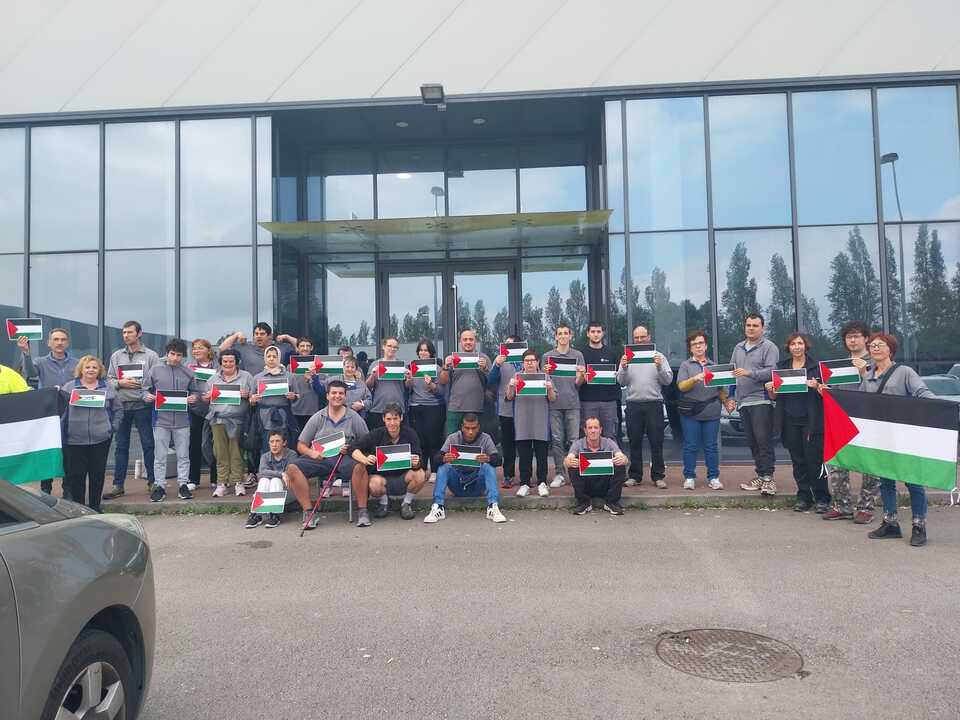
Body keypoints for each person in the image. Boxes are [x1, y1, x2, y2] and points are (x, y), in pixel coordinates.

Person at [858, 333, 936, 547]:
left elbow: (922, 392)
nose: (875, 348)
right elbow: (860, 402)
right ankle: (890, 523)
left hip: (904, 435)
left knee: (913, 481)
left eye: (880, 345)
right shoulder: (868, 375)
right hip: (881, 437)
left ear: (890, 349)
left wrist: (940, 407)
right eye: (872, 345)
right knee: (886, 481)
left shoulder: (904, 372)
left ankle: (919, 525)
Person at [285, 380, 369, 529]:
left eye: (341, 393)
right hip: (321, 458)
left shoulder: (354, 417)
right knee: (292, 468)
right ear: (327, 396)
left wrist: (351, 448)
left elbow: (366, 442)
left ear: (345, 396)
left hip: (345, 458)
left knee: (360, 466)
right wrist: (311, 452)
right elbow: (301, 445)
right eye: (334, 393)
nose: (337, 396)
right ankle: (308, 512)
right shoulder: (318, 417)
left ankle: (363, 511)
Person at [823, 320, 880, 523]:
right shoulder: (840, 365)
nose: (853, 340)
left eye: (856, 336)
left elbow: (878, 389)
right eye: (849, 337)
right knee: (837, 464)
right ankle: (842, 506)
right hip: (843, 420)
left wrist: (864, 371)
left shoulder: (876, 361)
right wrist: (825, 390)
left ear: (866, 339)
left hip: (868, 420)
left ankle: (866, 508)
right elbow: (836, 393)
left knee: (870, 467)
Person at [765, 333, 830, 512]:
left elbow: (827, 393)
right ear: (789, 347)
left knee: (815, 460)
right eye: (793, 344)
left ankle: (822, 497)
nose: (796, 346)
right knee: (798, 461)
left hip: (811, 421)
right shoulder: (781, 367)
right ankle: (803, 497)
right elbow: (775, 396)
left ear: (805, 346)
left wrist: (817, 386)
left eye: (800, 343)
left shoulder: (816, 367)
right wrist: (770, 389)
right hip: (789, 420)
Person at [104, 320, 161, 499]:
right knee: (121, 446)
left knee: (148, 445)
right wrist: (120, 382)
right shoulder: (116, 356)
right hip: (121, 406)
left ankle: (152, 482)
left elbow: (158, 380)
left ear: (139, 333)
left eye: (129, 332)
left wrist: (145, 389)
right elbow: (108, 380)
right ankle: (118, 485)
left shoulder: (151, 355)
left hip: (143, 406)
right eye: (124, 332)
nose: (126, 335)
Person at [17, 328, 77, 494]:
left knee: (68, 452)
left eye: (63, 339)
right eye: (56, 339)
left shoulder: (77, 363)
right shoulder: (40, 361)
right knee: (48, 450)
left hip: (71, 413)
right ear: (49, 343)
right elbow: (30, 373)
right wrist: (26, 353)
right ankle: (46, 489)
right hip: (49, 414)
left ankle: (68, 489)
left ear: (67, 343)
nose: (59, 342)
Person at [59, 355, 122, 511]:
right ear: (81, 369)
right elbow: (59, 410)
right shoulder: (69, 387)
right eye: (87, 367)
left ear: (99, 370)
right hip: (75, 440)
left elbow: (118, 409)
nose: (91, 370)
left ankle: (95, 506)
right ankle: (80, 508)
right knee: (77, 476)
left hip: (101, 439)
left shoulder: (107, 387)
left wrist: (112, 427)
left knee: (97, 475)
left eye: (94, 367)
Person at [725, 313, 779, 496]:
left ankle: (769, 479)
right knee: (752, 442)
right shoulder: (738, 347)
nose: (751, 328)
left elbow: (773, 371)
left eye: (755, 325)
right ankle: (761, 476)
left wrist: (750, 373)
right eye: (748, 325)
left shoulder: (769, 347)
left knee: (763, 440)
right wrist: (730, 396)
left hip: (761, 400)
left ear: (763, 328)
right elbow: (732, 373)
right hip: (743, 402)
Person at [142, 338, 200, 502]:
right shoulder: (155, 370)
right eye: (172, 354)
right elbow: (144, 390)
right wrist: (147, 396)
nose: (175, 358)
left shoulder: (188, 372)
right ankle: (159, 486)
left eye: (179, 355)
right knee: (160, 456)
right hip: (161, 421)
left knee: (183, 456)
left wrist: (194, 397)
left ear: (183, 356)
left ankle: (183, 485)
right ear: (167, 353)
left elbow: (195, 391)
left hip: (182, 421)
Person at [350, 402, 425, 526]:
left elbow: (420, 459)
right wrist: (365, 458)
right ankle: (384, 503)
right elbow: (353, 447)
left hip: (404, 477)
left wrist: (416, 463)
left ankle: (406, 503)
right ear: (383, 419)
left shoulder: (410, 433)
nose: (392, 423)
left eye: (395, 419)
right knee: (373, 484)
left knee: (421, 474)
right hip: (381, 479)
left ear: (401, 418)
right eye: (389, 419)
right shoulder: (376, 434)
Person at [424, 413, 507, 524]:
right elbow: (436, 459)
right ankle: (438, 506)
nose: (470, 432)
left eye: (473, 428)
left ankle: (493, 506)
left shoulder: (485, 438)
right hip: (457, 483)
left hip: (477, 484)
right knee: (444, 466)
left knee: (488, 466)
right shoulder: (453, 438)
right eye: (467, 428)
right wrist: (443, 458)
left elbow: (498, 460)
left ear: (478, 427)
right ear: (462, 427)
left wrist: (488, 458)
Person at [617, 325, 673, 488]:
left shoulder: (659, 356)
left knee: (657, 442)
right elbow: (621, 381)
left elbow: (668, 380)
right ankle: (635, 476)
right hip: (633, 404)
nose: (640, 340)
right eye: (637, 337)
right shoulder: (627, 357)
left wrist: (659, 367)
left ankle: (658, 476)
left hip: (654, 404)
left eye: (643, 337)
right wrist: (624, 368)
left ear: (649, 337)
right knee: (634, 442)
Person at [676, 331, 726, 491]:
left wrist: (727, 401)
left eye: (700, 343)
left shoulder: (714, 365)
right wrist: (694, 378)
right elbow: (681, 386)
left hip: (712, 412)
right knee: (691, 445)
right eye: (694, 344)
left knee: (711, 446)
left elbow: (720, 389)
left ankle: (713, 477)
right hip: (691, 413)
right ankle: (689, 477)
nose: (698, 346)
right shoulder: (685, 365)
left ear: (706, 346)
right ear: (690, 348)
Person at [506, 349, 557, 497]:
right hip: (522, 422)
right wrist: (511, 385)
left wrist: (550, 388)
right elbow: (509, 397)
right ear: (523, 363)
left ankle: (542, 483)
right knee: (524, 455)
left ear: (537, 362)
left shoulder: (544, 376)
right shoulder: (517, 376)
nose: (529, 363)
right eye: (527, 361)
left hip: (540, 421)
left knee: (542, 454)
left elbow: (553, 398)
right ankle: (524, 483)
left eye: (532, 360)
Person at [204, 349, 255, 497]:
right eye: (225, 361)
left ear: (236, 362)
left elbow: (254, 399)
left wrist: (247, 395)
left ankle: (238, 482)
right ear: (220, 363)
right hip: (217, 420)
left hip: (238, 420)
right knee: (220, 453)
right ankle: (222, 483)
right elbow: (205, 400)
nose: (228, 364)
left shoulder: (247, 377)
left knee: (237, 452)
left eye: (231, 361)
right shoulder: (213, 379)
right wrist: (207, 397)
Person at [543, 323, 585, 489]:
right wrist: (545, 372)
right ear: (555, 337)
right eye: (559, 333)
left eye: (565, 333)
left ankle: (574, 474)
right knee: (557, 440)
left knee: (574, 440)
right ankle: (560, 474)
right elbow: (544, 381)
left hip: (573, 403)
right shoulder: (547, 356)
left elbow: (578, 383)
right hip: (554, 404)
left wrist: (581, 375)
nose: (562, 336)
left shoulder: (578, 355)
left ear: (570, 336)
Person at [564, 416, 628, 515]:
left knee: (619, 464)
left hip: (605, 485)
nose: (593, 431)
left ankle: (611, 502)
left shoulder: (609, 442)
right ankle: (584, 503)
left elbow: (622, 456)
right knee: (572, 466)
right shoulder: (578, 444)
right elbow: (567, 459)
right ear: (585, 431)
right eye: (590, 428)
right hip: (586, 486)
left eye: (596, 427)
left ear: (600, 430)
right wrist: (569, 462)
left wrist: (623, 459)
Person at [405, 339, 445, 482]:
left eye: (426, 350)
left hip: (434, 407)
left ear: (431, 353)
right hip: (415, 407)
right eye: (421, 350)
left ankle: (434, 470)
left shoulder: (437, 369)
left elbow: (441, 391)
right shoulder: (412, 367)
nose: (423, 353)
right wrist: (409, 380)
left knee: (433, 440)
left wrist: (431, 384)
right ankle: (421, 469)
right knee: (419, 440)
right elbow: (408, 388)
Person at [439, 329, 491, 436]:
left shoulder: (484, 358)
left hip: (476, 407)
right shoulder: (453, 358)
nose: (468, 342)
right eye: (465, 339)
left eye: (471, 339)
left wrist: (485, 368)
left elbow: (492, 382)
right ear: (460, 342)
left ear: (475, 341)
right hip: (455, 407)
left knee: (475, 441)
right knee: (452, 440)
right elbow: (443, 381)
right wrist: (445, 367)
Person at [250, 345, 300, 454]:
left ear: (279, 358)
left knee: (283, 443)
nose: (271, 359)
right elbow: (251, 399)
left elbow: (298, 396)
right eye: (269, 356)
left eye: (274, 356)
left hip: (283, 415)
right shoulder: (257, 377)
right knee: (266, 444)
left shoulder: (289, 376)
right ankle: (266, 464)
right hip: (264, 416)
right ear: (265, 358)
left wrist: (293, 396)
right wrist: (253, 400)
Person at [245, 430, 297, 529]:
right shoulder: (265, 456)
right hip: (269, 491)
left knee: (275, 481)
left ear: (284, 443)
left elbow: (289, 474)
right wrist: (281, 474)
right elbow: (262, 472)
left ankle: (274, 514)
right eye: (271, 442)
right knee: (264, 480)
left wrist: (279, 475)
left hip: (288, 492)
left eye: (277, 441)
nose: (274, 445)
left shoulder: (292, 454)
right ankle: (256, 514)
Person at [578, 321, 620, 440]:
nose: (596, 334)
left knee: (610, 436)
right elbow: (577, 382)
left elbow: (620, 377)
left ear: (603, 333)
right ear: (588, 334)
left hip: (609, 402)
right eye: (593, 331)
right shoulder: (581, 354)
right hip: (588, 402)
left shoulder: (612, 353)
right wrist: (583, 377)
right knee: (589, 437)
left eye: (598, 331)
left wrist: (617, 375)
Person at [489, 335, 521, 488]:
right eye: (506, 344)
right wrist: (496, 365)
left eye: (511, 345)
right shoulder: (500, 360)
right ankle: (508, 475)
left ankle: (526, 476)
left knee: (525, 444)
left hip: (526, 409)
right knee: (508, 444)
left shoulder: (527, 360)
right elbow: (490, 381)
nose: (508, 347)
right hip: (506, 409)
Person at [186, 338, 217, 492]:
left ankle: (215, 479)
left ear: (208, 350)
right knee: (194, 444)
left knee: (215, 444)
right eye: (194, 348)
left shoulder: (217, 366)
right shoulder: (188, 367)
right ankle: (193, 479)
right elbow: (183, 386)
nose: (196, 351)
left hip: (214, 410)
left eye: (200, 348)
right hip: (195, 410)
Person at [218, 322, 297, 376]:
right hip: (253, 390)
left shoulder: (281, 348)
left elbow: (300, 348)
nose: (259, 336)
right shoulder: (245, 347)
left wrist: (287, 337)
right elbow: (222, 348)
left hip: (275, 388)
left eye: (262, 334)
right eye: (256, 334)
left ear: (270, 336)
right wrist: (236, 335)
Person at [365, 336, 408, 430]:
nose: (392, 349)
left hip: (398, 408)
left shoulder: (403, 364)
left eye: (395, 347)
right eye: (389, 346)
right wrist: (373, 375)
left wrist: (409, 377)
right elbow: (367, 386)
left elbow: (409, 386)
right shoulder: (375, 364)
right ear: (383, 347)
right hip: (378, 408)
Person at [289, 336, 324, 432]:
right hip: (295, 411)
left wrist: (313, 379)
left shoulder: (319, 366)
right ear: (297, 348)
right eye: (302, 346)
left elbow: (322, 392)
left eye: (308, 346)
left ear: (312, 348)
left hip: (314, 410)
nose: (305, 348)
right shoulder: (289, 367)